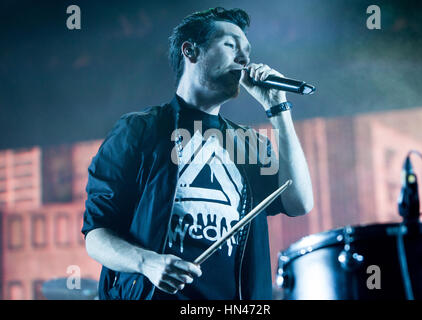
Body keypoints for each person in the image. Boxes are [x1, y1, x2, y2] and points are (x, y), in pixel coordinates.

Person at [82, 7, 313, 300]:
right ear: (191, 51)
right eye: (231, 46)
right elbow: (97, 235)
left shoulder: (249, 144)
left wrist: (278, 108)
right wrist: (148, 263)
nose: (244, 59)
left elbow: (299, 201)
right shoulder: (140, 130)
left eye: (247, 51)